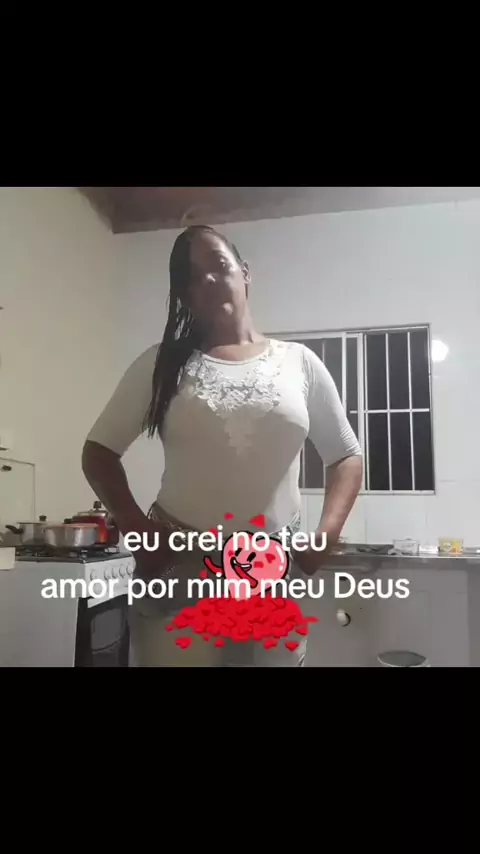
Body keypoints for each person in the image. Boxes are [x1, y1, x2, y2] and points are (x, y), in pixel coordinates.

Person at [82, 224, 363, 666]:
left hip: (272, 570)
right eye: (194, 276)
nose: (210, 278)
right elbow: (99, 452)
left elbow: (346, 455)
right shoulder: (162, 365)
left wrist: (324, 538)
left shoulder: (299, 363)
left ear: (244, 272)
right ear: (185, 294)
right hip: (179, 569)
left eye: (218, 264)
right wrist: (137, 530)